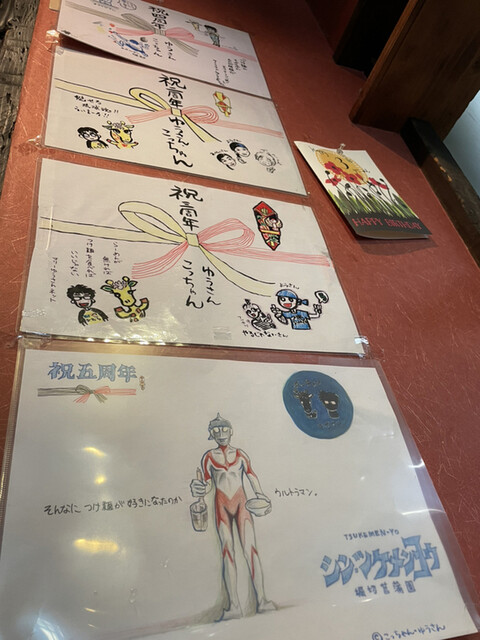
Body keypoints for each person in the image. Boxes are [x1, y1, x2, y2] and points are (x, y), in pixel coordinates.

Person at [190, 414, 275, 620]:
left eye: (224, 429)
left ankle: (262, 600)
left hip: (242, 504)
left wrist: (260, 494)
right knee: (227, 551)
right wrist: (198, 488)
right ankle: (234, 606)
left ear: (231, 431)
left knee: (251, 550)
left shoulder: (240, 455)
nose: (221, 433)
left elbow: (251, 475)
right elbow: (207, 483)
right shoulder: (208, 457)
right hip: (221, 506)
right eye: (216, 430)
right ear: (211, 434)